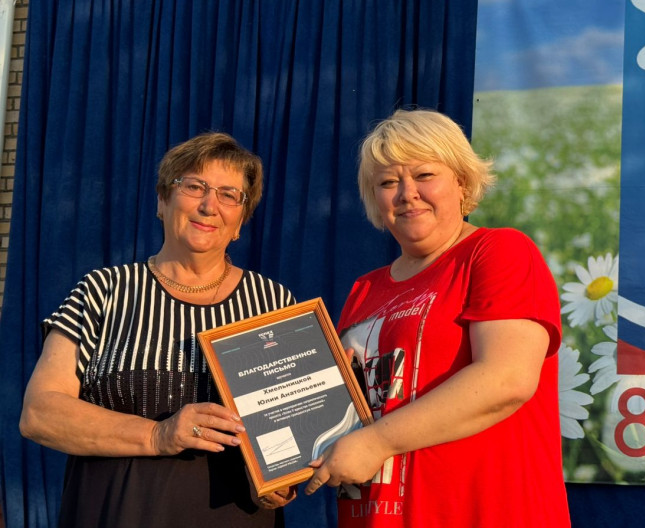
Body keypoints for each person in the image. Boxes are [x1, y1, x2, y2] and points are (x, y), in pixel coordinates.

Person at [305, 109, 571, 527]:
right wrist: (286, 466)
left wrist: (377, 441)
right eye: (388, 182)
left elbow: (507, 380)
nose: (406, 193)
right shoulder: (364, 290)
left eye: (424, 175)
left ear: (462, 182)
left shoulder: (499, 252)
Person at [20, 132, 298, 527]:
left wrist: (278, 481)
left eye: (228, 195)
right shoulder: (103, 290)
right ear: (162, 201)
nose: (209, 205)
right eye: (194, 186)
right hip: (115, 515)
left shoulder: (272, 302)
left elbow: (287, 429)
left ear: (240, 221)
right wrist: (159, 435)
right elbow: (39, 413)